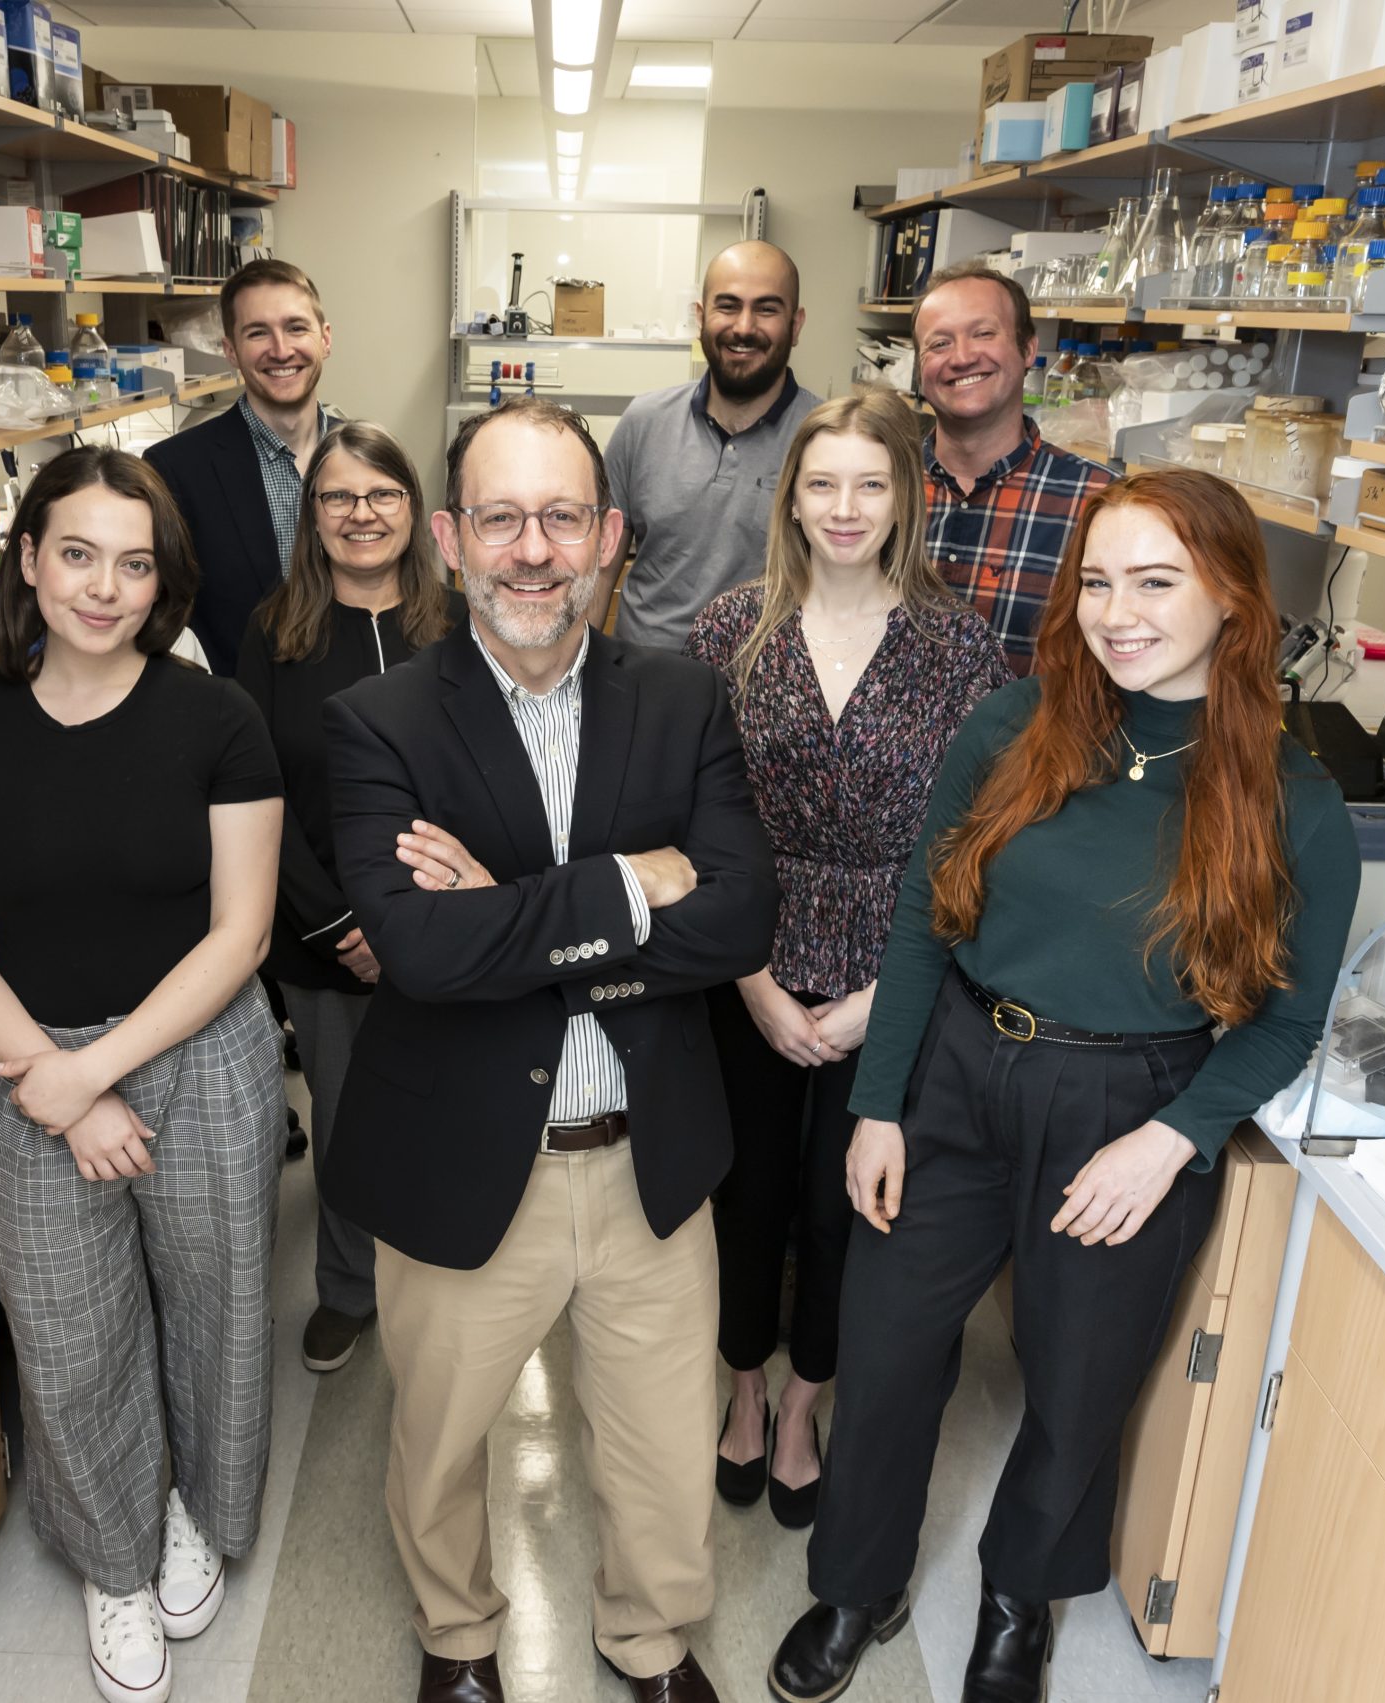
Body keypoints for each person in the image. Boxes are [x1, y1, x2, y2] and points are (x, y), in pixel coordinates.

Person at [766, 468, 1362, 1703]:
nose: (1116, 612)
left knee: (1081, 1377)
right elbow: (929, 926)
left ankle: (1014, 1597)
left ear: (1233, 598)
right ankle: (856, 1581)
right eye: (1097, 580)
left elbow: (1288, 1019)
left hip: (1126, 1104)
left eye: (1155, 581)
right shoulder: (1013, 726)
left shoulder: (1291, 804)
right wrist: (879, 1103)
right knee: (884, 1349)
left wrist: (1172, 1141)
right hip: (959, 1074)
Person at [320, 397, 778, 1703]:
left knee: (661, 1448)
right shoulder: (379, 721)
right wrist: (635, 884)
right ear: (452, 540)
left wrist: (510, 904)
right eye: (503, 518)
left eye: (563, 517)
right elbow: (419, 952)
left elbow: (743, 914)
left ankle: (648, 1640)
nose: (535, 550)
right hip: (461, 1154)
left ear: (611, 537)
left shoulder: (685, 700)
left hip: (648, 1156)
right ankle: (459, 1635)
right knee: (441, 1434)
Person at [0, 446, 288, 1703]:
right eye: (77, 553)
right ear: (26, 558)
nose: (104, 588)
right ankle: (112, 1557)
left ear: (163, 578)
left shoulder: (217, 718)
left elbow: (241, 932)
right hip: (30, 1063)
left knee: (217, 1311)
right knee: (70, 1342)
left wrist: (96, 1072)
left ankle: (187, 1504)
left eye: (135, 563)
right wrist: (49, 1075)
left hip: (199, 1054)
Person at [682, 391, 1008, 1532]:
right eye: (822, 483)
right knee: (747, 1199)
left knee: (842, 1213)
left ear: (907, 496)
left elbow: (976, 844)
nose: (845, 507)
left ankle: (803, 1403)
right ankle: (739, 1389)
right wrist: (754, 981)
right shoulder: (730, 632)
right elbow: (696, 824)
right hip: (749, 958)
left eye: (871, 483)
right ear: (790, 496)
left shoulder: (957, 645)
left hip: (896, 964)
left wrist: (884, 998)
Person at [234, 421, 461, 1375]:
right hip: (324, 933)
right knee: (344, 1123)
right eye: (338, 497)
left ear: (416, 510)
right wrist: (340, 925)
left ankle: (453, 1282)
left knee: (454, 1115)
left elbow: (498, 777)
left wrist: (435, 915)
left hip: (454, 925)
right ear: (311, 515)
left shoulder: (460, 621)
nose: (361, 513)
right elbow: (254, 794)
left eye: (382, 494)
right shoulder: (274, 629)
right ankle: (348, 1287)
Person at [603, 240, 821, 651]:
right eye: (728, 305)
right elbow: (598, 571)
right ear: (700, 317)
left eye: (767, 308)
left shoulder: (825, 438)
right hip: (644, 684)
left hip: (765, 695)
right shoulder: (643, 422)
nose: (743, 326)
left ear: (796, 325)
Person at [144, 258, 344, 674]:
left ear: (325, 339)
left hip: (360, 709)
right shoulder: (174, 471)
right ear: (230, 351)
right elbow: (160, 620)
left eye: (296, 327)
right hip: (240, 721)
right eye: (258, 333)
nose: (281, 349)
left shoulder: (367, 458)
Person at [913, 259, 1113, 675]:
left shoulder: (1100, 503)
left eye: (983, 333)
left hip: (1027, 742)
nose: (962, 357)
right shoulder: (877, 488)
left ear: (1027, 350)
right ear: (919, 366)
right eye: (939, 343)